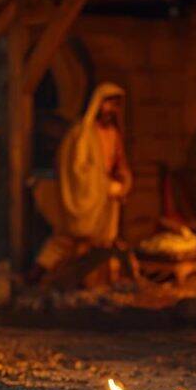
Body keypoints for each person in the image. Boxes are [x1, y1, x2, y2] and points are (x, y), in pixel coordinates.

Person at [30, 83, 132, 280]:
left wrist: (123, 180)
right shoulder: (81, 133)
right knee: (68, 238)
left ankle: (94, 280)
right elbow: (76, 169)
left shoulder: (114, 133)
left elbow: (119, 162)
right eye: (108, 104)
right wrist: (103, 185)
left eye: (116, 105)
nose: (111, 110)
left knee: (103, 242)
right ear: (98, 104)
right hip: (86, 197)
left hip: (107, 201)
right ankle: (38, 275)